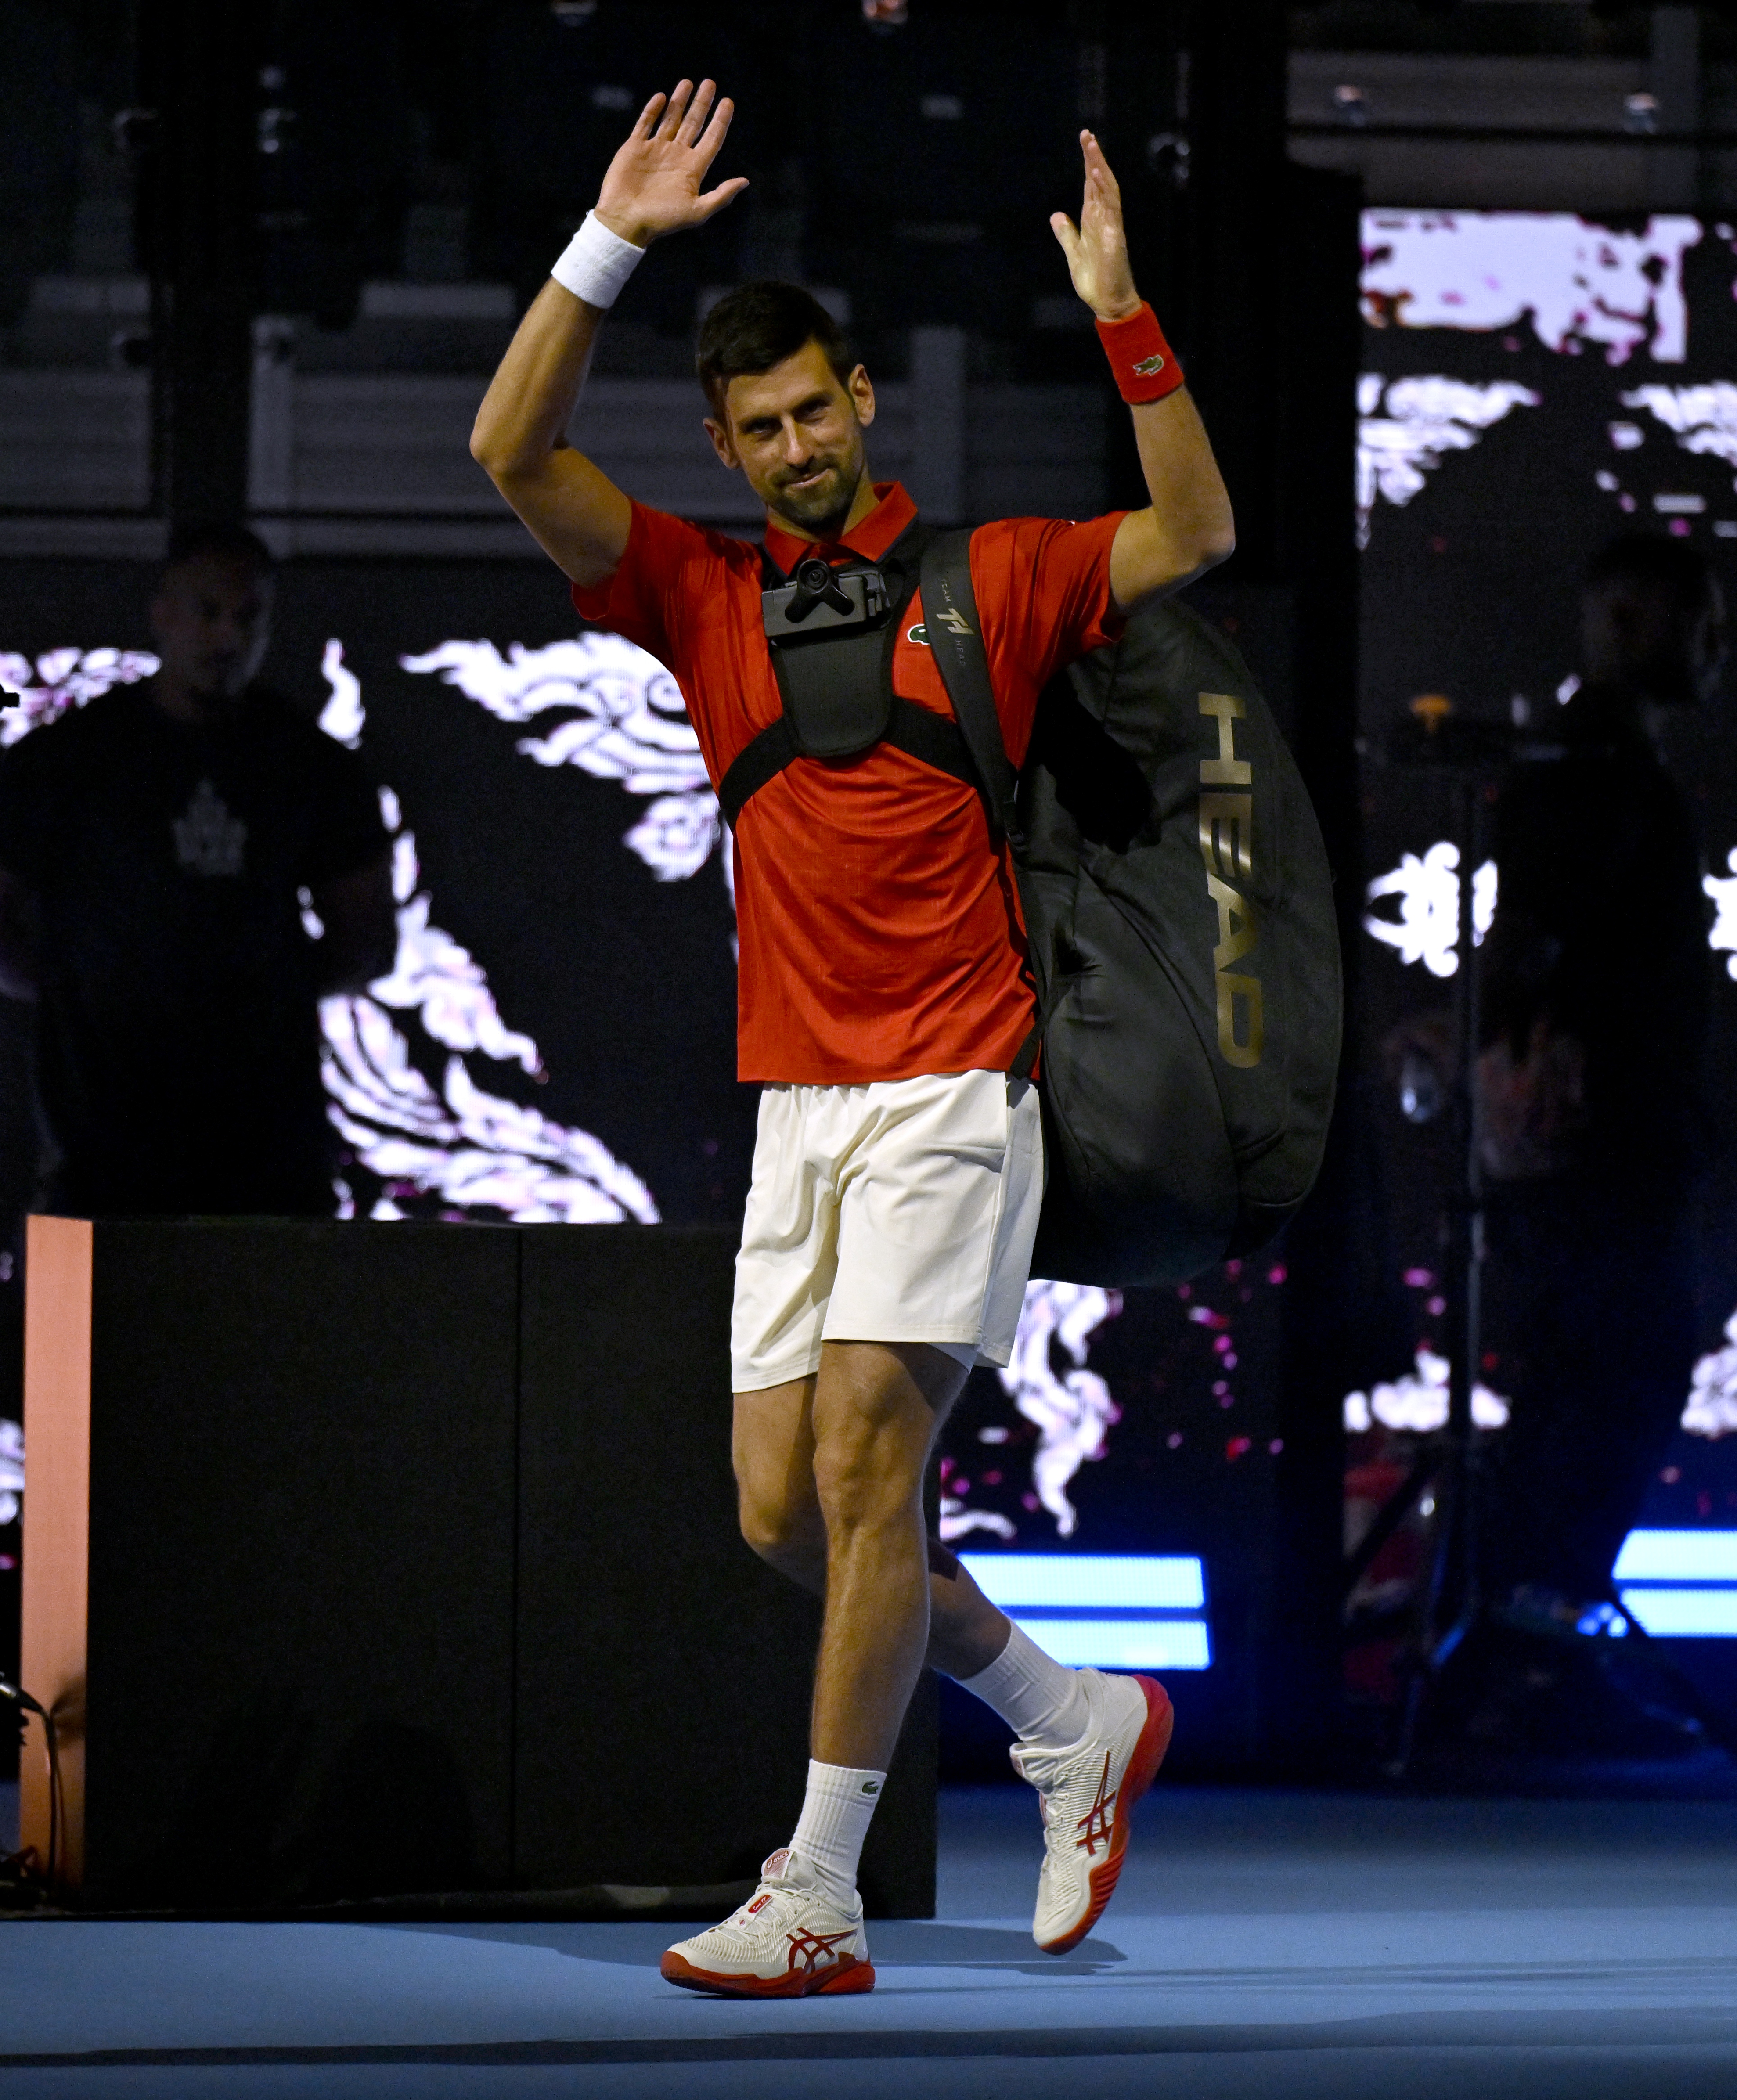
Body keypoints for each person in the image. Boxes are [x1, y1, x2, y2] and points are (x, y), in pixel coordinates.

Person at [470, 83, 1236, 1996]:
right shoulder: (697, 598)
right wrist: (611, 240)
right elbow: (509, 446)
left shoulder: (994, 579)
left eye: (820, 409)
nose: (798, 444)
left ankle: (811, 1895)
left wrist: (1125, 311)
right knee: (774, 1513)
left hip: (959, 1090)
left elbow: (1198, 526)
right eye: (761, 427)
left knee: (871, 1468)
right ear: (723, 446)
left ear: (864, 402)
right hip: (793, 1112)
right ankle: (1068, 1714)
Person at [0, 525, 398, 1217]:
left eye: (247, 617)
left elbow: (367, 938)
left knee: (272, 1317)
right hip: (110, 1146)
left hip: (265, 1149)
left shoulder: (308, 765)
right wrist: (82, 995)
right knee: (96, 1314)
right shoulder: (74, 758)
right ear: (163, 613)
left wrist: (256, 1007)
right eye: (208, 612)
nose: (227, 639)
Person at [1457, 531, 1721, 1751]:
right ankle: (1530, 1654)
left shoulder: (1593, 765)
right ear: (1625, 622)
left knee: (1588, 1384)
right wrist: (1541, 1079)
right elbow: (1544, 940)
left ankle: (1527, 1649)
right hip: (1589, 1141)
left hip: (1595, 1135)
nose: (1711, 653)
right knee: (1603, 1380)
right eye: (1692, 622)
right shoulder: (1589, 771)